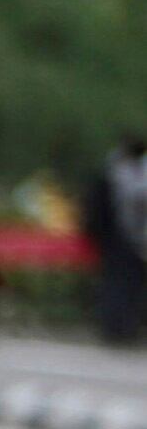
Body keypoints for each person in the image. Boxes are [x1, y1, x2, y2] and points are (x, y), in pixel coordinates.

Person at [94, 130, 147, 350]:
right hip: (125, 236)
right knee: (123, 284)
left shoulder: (113, 168)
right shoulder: (126, 173)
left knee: (121, 283)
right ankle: (120, 327)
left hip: (118, 235)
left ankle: (119, 326)